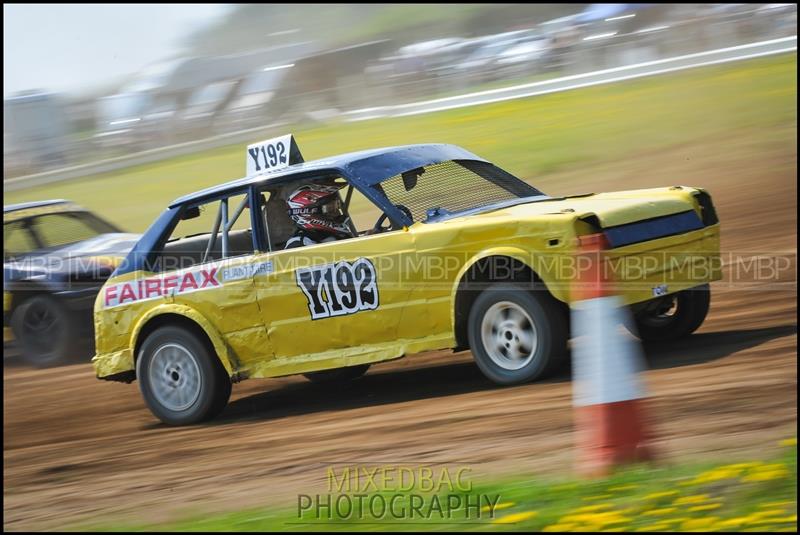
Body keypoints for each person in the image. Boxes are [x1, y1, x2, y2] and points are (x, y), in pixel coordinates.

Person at [284, 183, 353, 249]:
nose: (337, 212)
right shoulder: (298, 245)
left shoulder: (328, 234)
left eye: (336, 206)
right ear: (307, 214)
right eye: (329, 209)